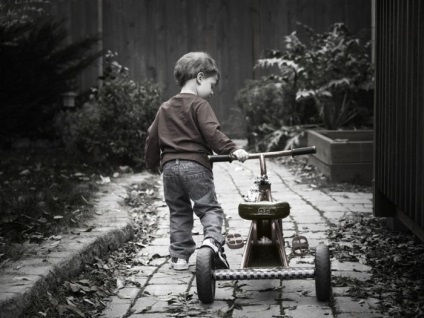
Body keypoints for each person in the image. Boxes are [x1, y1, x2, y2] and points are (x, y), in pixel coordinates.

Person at [144, 52, 248, 271]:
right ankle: (212, 242)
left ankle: (179, 257)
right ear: (200, 78)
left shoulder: (165, 107)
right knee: (209, 209)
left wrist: (152, 163)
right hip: (195, 167)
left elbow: (152, 137)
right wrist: (232, 150)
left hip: (170, 169)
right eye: (211, 85)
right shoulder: (200, 105)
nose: (211, 92)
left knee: (179, 211)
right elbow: (212, 133)